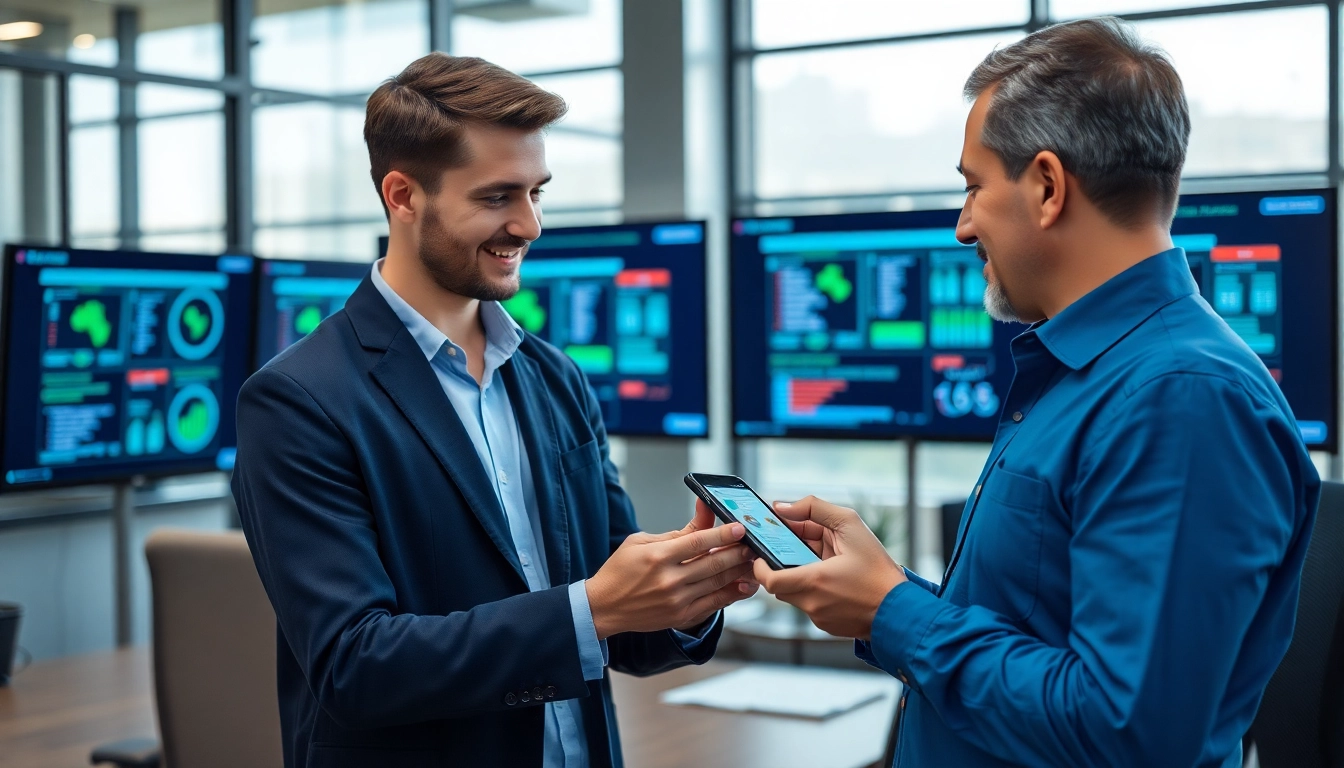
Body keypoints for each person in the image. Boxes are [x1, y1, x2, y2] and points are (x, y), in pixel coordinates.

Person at [752, 18, 1320, 768]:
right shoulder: (1087, 374)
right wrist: (882, 592)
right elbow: (1036, 632)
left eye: (973, 186)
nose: (961, 226)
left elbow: (1130, 735)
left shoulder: (1182, 400)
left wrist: (895, 613)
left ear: (1048, 186)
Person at [232, 53, 757, 768]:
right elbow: (354, 666)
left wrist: (691, 590)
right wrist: (596, 607)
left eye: (537, 192)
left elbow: (622, 629)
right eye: (497, 197)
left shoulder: (553, 377)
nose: (530, 225)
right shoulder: (298, 401)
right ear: (403, 195)